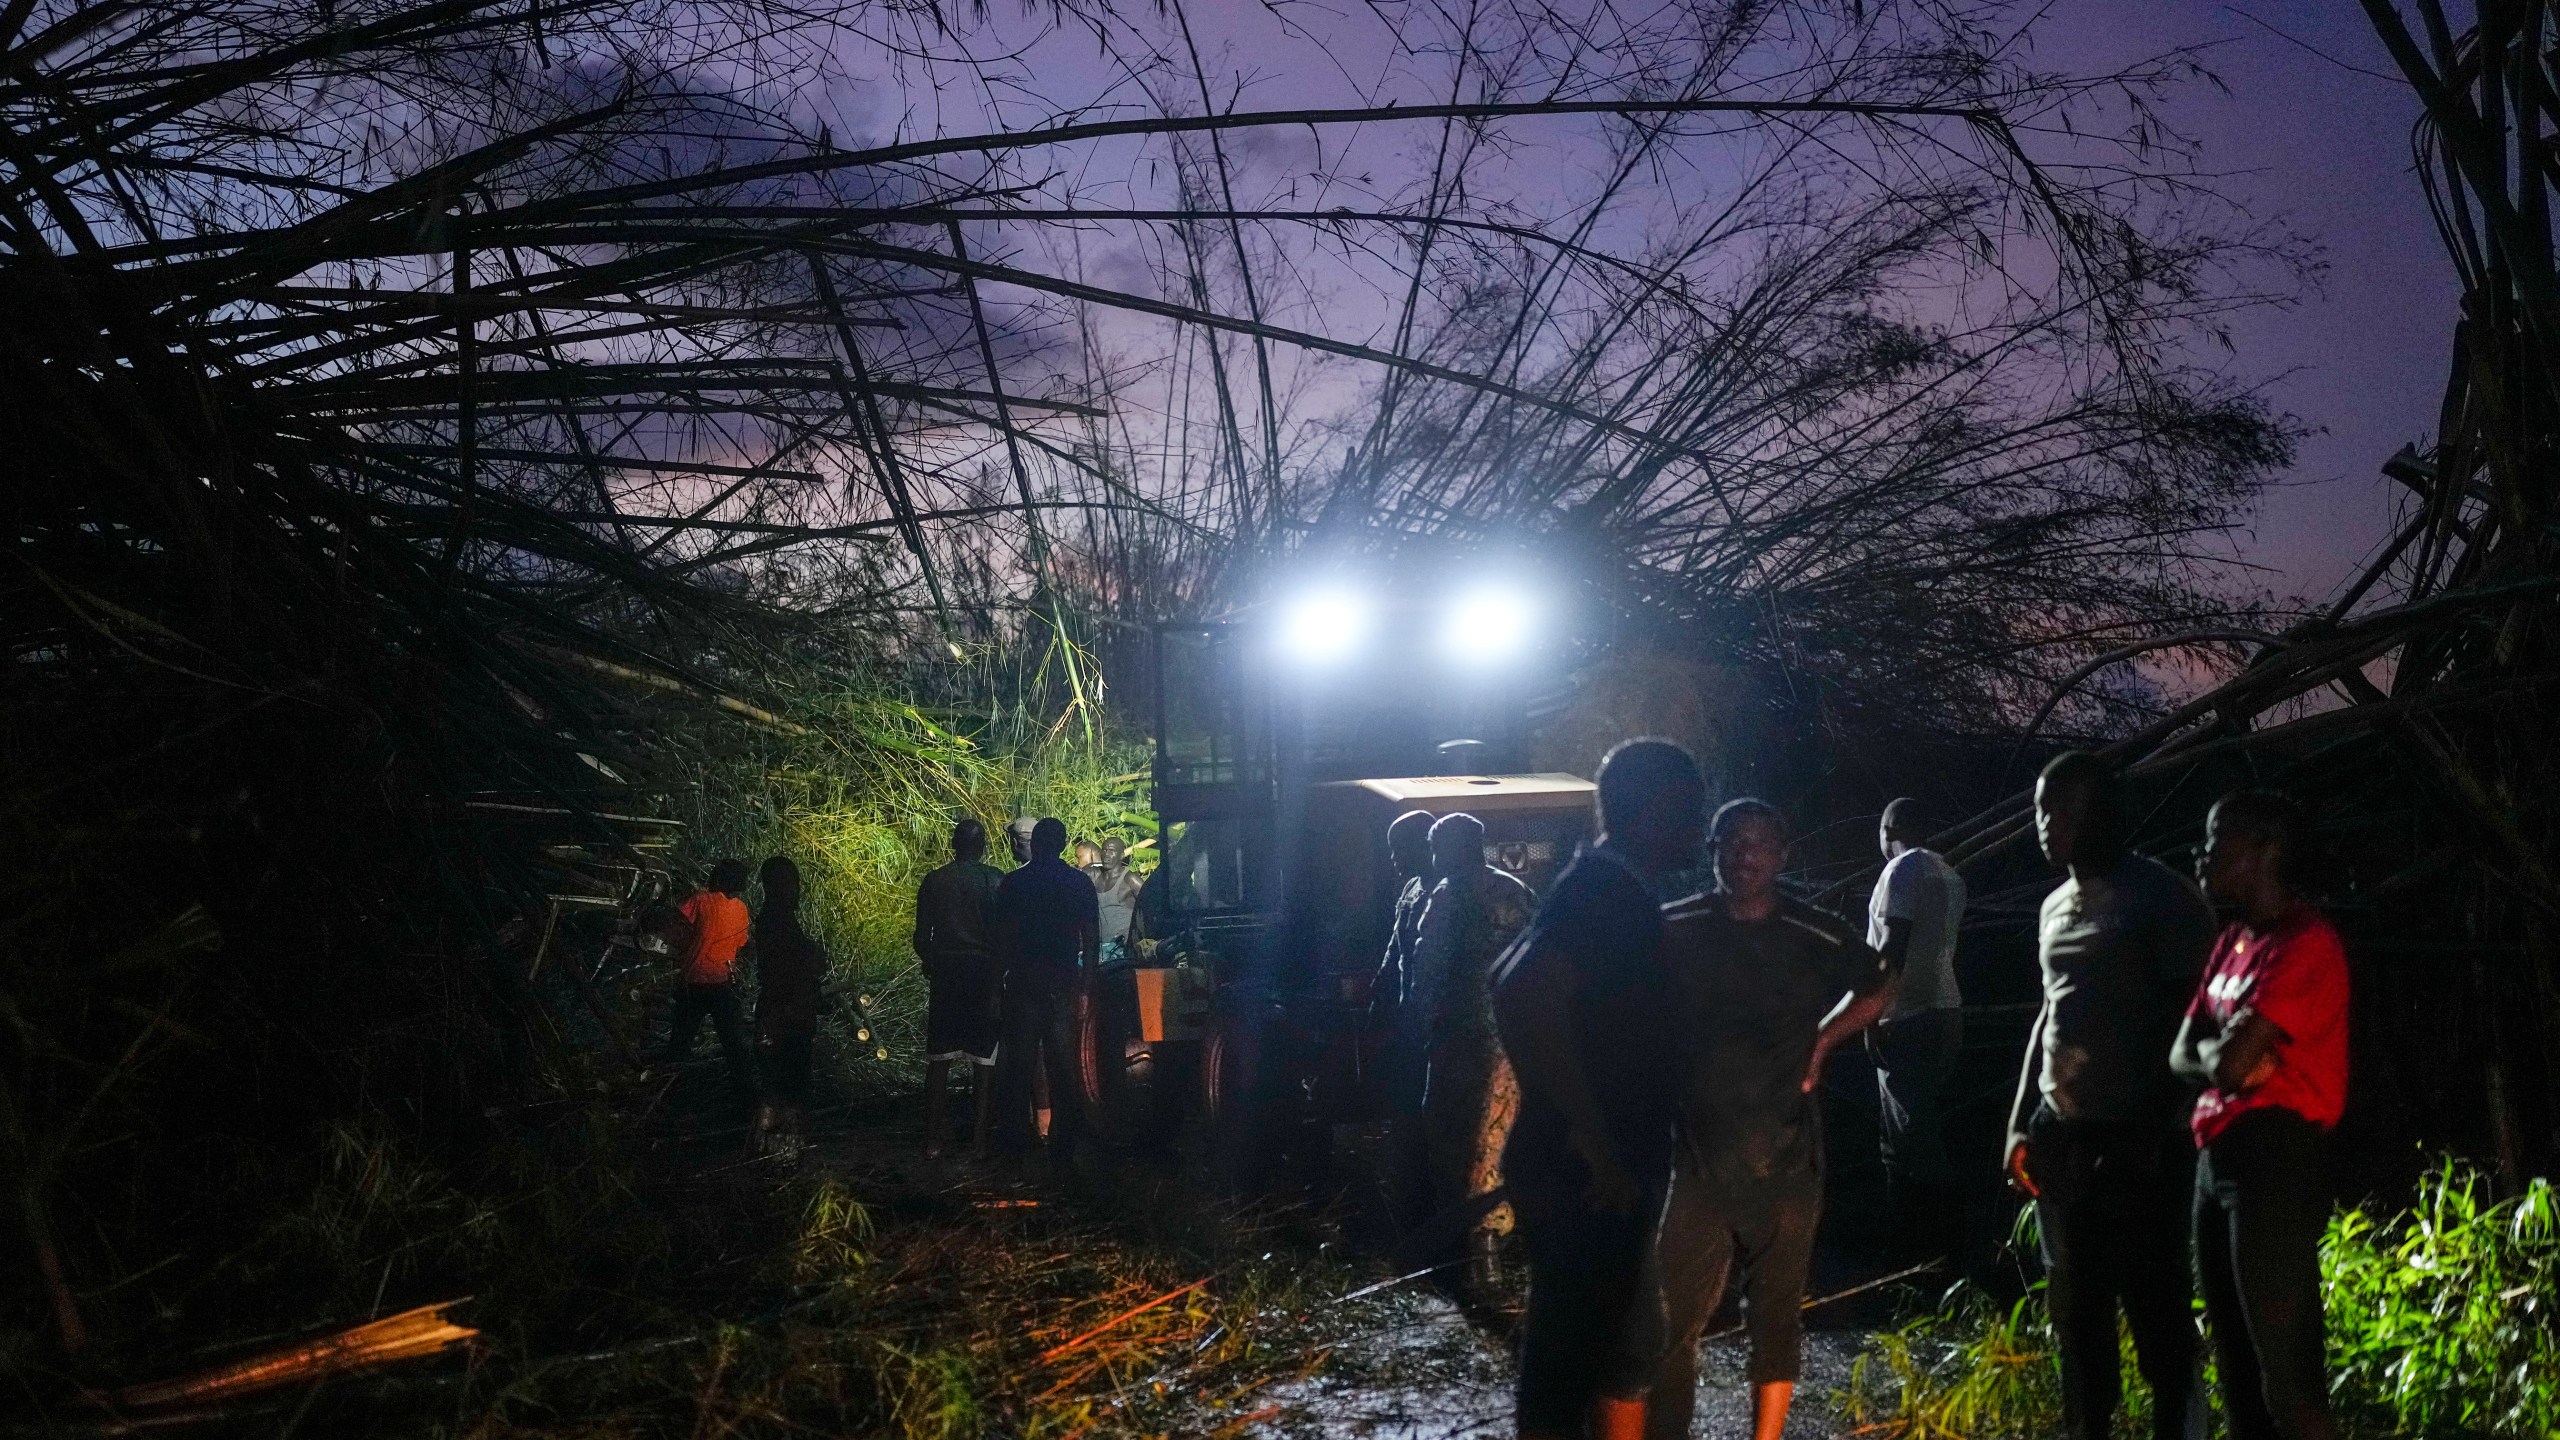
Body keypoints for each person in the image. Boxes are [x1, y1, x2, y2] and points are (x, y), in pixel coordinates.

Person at [1639, 799, 1895, 1440]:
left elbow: (1882, 983)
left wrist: (1828, 1036)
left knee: (1776, 1317)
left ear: (1783, 856)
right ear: (1714, 849)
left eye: (1760, 843)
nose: (1746, 855)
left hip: (1785, 1156)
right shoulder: (1674, 925)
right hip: (1695, 1156)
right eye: (1734, 842)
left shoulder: (1818, 932)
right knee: (1670, 1318)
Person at [1492, 738, 1707, 1440]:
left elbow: (1508, 976)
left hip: (1594, 1163)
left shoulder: (1605, 889)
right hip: (1590, 1173)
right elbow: (1524, 992)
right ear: (1652, 812)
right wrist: (1589, 1133)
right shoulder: (1606, 896)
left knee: (1622, 1340)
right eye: (1688, 812)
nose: (1699, 831)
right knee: (1572, 1360)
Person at [2005, 752, 2214, 1440]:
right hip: (2064, 1134)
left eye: (2064, 810)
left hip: (2140, 1140)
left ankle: (2177, 1427)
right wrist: (2019, 1124)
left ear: (2106, 816)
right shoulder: (2053, 906)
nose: (2047, 825)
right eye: (2041, 809)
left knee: (2157, 1311)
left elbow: (2200, 1017)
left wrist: (2155, 1128)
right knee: (2077, 1312)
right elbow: (2050, 1011)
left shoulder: (2163, 899)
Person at [2171, 791, 2348, 1440]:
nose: (2203, 853)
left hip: (2275, 1158)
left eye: (2219, 840)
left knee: (2288, 1374)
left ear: (2266, 850)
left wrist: (2225, 1057)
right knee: (2237, 1366)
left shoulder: (2306, 943)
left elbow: (2217, 1061)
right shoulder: (2232, 943)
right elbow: (2188, 1054)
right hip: (2218, 1155)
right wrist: (2231, 1055)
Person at [1410, 811, 1537, 1298]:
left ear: (1451, 848)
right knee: (1496, 1140)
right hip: (1512, 1040)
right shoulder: (1517, 892)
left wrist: (1422, 1022)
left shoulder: (1448, 894)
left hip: (1461, 1037)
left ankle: (1470, 1265)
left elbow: (1429, 965)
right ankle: (1491, 1257)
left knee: (1452, 1136)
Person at [1865, 796, 1968, 1260]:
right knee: (1919, 1130)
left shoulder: (1901, 870)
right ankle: (1930, 1250)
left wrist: (1872, 1012)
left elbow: (1893, 948)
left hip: (1906, 1018)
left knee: (1909, 1141)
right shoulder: (1950, 875)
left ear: (1889, 829)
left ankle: (1927, 1256)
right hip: (1946, 1011)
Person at [993, 816, 1100, 1163]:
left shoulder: (1013, 884)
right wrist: (1087, 985)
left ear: (1035, 844)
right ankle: (1064, 1140)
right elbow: (1092, 938)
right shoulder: (1078, 883)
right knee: (1063, 1063)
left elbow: (1004, 940)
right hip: (1063, 980)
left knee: (1019, 1063)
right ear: (1062, 844)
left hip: (1025, 981)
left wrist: (998, 983)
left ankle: (1016, 1140)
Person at [915, 819, 1004, 1159]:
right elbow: (1003, 936)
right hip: (983, 974)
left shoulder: (935, 881)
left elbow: (922, 938)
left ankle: (932, 1140)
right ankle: (978, 1142)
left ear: (954, 844)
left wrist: (933, 961)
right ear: (982, 846)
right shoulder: (994, 880)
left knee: (939, 1059)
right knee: (984, 1062)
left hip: (947, 974)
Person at [1370, 808, 1441, 1225]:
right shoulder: (1413, 889)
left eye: (1400, 851)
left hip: (1442, 1025)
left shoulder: (1450, 892)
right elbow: (1396, 947)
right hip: (1409, 1022)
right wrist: (1381, 991)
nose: (1394, 861)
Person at [663, 858, 757, 1098]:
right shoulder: (741, 909)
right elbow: (740, 943)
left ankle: (668, 1088)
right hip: (723, 981)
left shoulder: (700, 901)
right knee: (733, 1042)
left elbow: (676, 929)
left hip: (694, 980)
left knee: (681, 1040)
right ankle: (744, 1092)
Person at [753, 856, 826, 1135]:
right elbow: (793, 966)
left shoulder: (773, 919)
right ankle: (782, 1144)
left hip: (780, 1010)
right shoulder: (777, 921)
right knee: (787, 1082)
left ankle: (771, 1144)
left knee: (777, 1082)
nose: (797, 889)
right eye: (792, 883)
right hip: (786, 1012)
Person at [1088, 837, 1142, 965]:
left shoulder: (1130, 879)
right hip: (1100, 950)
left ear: (1122, 855)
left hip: (1121, 950)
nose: (1107, 854)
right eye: (1104, 850)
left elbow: (1151, 905)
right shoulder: (1093, 876)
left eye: (1112, 851)